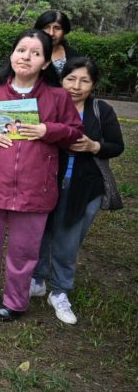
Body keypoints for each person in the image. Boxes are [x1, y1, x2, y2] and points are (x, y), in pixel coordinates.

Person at [0, 29, 82, 322]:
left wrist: (47, 130)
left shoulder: (58, 97)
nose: (26, 57)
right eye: (21, 50)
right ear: (12, 55)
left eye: (36, 53)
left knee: (23, 251)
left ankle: (15, 302)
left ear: (46, 63)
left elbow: (75, 131)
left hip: (34, 188)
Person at [29, 57, 124, 324]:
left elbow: (117, 145)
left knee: (68, 240)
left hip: (84, 186)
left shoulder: (100, 110)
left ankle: (60, 291)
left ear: (93, 85)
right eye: (71, 79)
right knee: (40, 232)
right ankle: (37, 279)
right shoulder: (50, 105)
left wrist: (95, 147)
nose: (76, 86)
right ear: (61, 80)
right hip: (47, 181)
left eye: (85, 80)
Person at [34, 10, 79, 76]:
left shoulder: (74, 57)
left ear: (64, 32)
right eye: (46, 27)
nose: (51, 33)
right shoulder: (26, 52)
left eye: (57, 28)